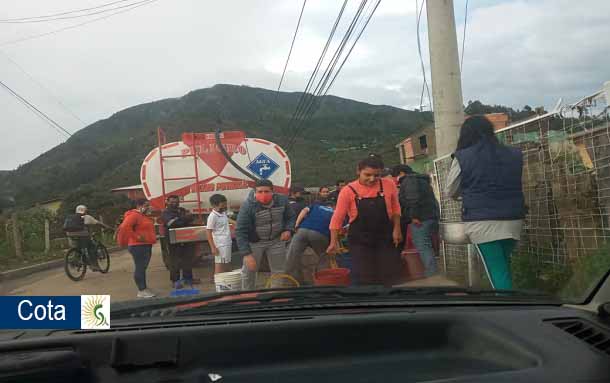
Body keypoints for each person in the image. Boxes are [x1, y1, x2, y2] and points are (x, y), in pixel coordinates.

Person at [446, 115, 525, 290]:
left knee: (497, 270)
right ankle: (514, 303)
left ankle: (507, 310)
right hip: (514, 218)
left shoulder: (463, 156)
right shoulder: (514, 154)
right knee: (503, 265)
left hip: (483, 221)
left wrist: (464, 195)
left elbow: (450, 190)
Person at [327, 155, 403, 287]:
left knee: (387, 274)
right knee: (365, 276)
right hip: (360, 240)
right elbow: (337, 218)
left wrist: (397, 229)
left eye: (376, 175)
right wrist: (333, 242)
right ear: (358, 171)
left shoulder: (388, 184)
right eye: (367, 174)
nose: (372, 179)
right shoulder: (348, 191)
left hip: (384, 237)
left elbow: (396, 209)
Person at [236, 179, 296, 290]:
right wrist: (247, 254)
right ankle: (248, 295)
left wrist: (288, 229)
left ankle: (275, 295)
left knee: (279, 270)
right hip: (255, 242)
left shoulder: (282, 201)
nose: (263, 194)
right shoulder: (248, 206)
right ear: (255, 192)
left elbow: (291, 217)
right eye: (260, 191)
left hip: (276, 240)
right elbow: (240, 231)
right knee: (249, 271)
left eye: (266, 191)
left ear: (273, 191)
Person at [393, 164, 439, 277]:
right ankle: (432, 271)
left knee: (423, 245)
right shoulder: (421, 180)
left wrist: (413, 216)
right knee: (428, 245)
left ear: (402, 173)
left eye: (395, 176)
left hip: (420, 218)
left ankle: (431, 273)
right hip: (431, 216)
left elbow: (412, 199)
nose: (395, 179)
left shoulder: (409, 181)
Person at [285, 197, 337, 284]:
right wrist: (333, 243)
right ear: (334, 206)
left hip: (302, 231)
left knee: (292, 257)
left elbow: (304, 211)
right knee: (323, 258)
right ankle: (323, 283)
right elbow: (335, 228)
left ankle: (294, 283)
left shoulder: (315, 206)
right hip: (320, 234)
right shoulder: (335, 212)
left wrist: (296, 225)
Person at [118, 199, 157, 298]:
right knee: (140, 267)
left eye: (149, 205)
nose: (149, 207)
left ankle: (143, 288)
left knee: (142, 267)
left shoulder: (142, 216)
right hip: (138, 246)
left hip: (144, 245)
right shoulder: (134, 215)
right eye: (146, 205)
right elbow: (125, 227)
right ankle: (142, 290)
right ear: (139, 206)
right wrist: (137, 237)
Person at [161, 195, 196, 290]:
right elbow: (171, 223)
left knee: (187, 259)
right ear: (167, 202)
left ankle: (188, 278)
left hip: (185, 238)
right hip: (172, 240)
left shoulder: (182, 210)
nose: (174, 203)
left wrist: (180, 219)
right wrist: (183, 219)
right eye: (172, 202)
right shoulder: (165, 212)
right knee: (174, 261)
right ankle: (175, 281)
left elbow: (191, 218)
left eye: (176, 201)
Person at [64, 204, 112, 272]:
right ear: (85, 211)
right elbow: (99, 223)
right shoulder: (87, 217)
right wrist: (107, 227)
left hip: (70, 234)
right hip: (82, 235)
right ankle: (94, 265)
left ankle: (75, 259)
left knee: (78, 247)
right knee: (91, 247)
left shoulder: (71, 217)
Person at [206, 194, 234, 274]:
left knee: (227, 264)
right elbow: (208, 232)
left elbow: (227, 219)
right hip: (220, 245)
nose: (224, 207)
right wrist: (213, 247)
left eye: (225, 204)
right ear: (214, 205)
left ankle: (228, 283)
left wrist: (236, 223)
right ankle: (218, 285)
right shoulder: (212, 216)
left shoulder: (222, 213)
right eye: (222, 205)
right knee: (219, 266)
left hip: (227, 242)